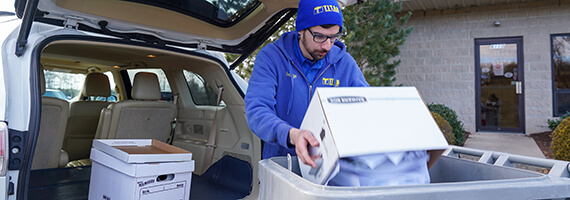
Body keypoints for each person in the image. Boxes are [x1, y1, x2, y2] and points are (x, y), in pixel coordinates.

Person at [245, 0, 442, 186]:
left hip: (330, 169)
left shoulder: (344, 63)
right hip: (283, 164)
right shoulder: (271, 58)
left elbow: (366, 107)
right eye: (320, 36)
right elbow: (257, 111)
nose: (327, 46)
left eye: (334, 37)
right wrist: (292, 135)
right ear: (301, 29)